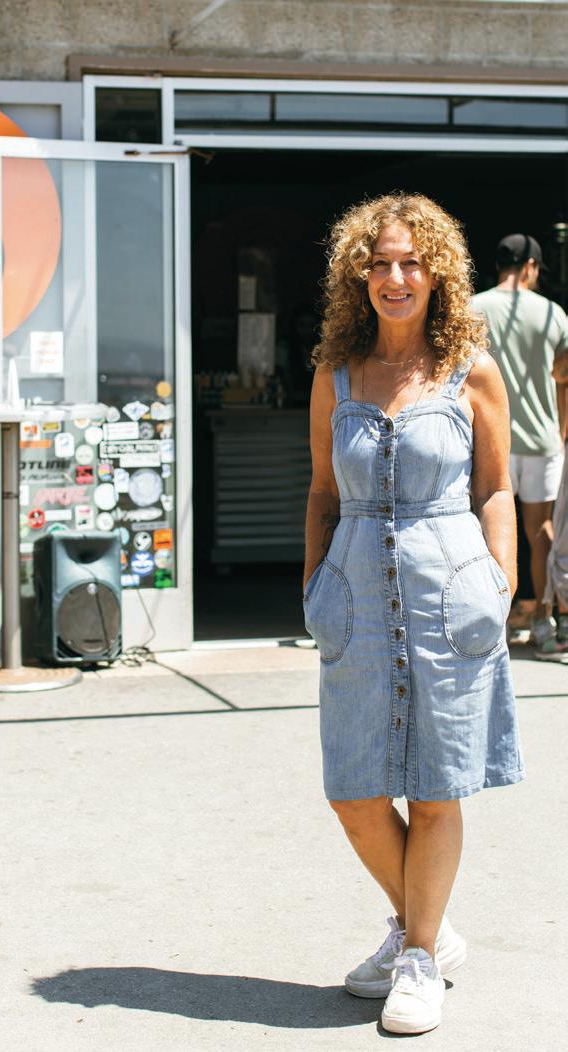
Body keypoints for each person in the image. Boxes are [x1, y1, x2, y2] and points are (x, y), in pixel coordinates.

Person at [304, 194, 524, 1035]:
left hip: (449, 594)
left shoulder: (472, 371)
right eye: (378, 264)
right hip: (354, 595)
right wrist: (314, 586)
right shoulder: (335, 376)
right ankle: (419, 926)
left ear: (437, 274)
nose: (393, 278)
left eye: (409, 263)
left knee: (435, 789)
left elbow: (495, 488)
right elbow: (321, 493)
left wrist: (499, 583)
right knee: (354, 791)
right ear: (357, 277)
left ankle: (420, 954)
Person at [472, 236, 568, 659]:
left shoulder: (474, 308)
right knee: (540, 530)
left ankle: (492, 621)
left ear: (499, 265)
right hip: (543, 439)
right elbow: (564, 375)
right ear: (530, 266)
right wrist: (561, 430)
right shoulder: (552, 313)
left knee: (485, 530)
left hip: (491, 439)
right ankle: (544, 622)